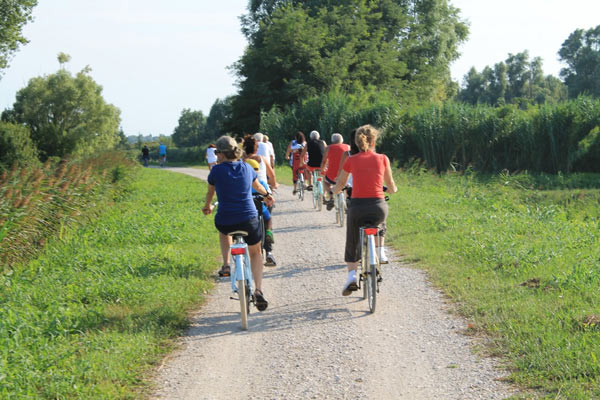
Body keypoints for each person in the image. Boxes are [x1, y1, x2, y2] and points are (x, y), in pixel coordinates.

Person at [202, 135, 274, 311]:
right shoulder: (247, 168)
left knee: (224, 231)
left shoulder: (216, 171)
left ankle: (226, 265)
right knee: (256, 252)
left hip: (225, 220)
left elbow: (210, 193)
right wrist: (267, 195)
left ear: (220, 154)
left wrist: (207, 207)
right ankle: (258, 290)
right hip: (248, 220)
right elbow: (258, 187)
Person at [332, 125, 397, 296]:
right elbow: (390, 184)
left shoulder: (351, 160)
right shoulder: (383, 158)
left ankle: (352, 276)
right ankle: (380, 251)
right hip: (377, 206)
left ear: (356, 142)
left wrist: (335, 191)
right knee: (381, 220)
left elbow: (340, 183)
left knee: (352, 239)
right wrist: (392, 190)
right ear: (374, 141)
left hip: (357, 207)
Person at [245, 158, 277, 266]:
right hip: (259, 210)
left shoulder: (241, 183)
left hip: (245, 211)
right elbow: (268, 194)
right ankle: (268, 249)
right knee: (268, 219)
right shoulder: (261, 182)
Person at [320, 133, 350, 209]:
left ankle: (331, 197)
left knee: (325, 182)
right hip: (346, 175)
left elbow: (324, 161)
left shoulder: (328, 148)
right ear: (342, 140)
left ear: (332, 141)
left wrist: (322, 170)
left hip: (332, 175)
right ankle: (347, 201)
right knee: (347, 185)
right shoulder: (348, 147)